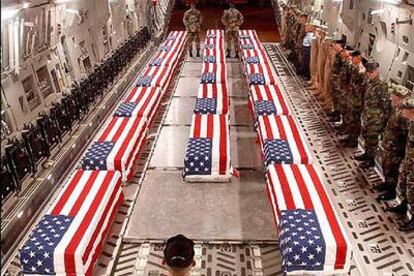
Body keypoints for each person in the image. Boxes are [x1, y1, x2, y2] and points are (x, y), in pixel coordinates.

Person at [376, 85, 411, 201]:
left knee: (392, 170)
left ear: (400, 97)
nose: (391, 98)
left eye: (394, 96)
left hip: (396, 149)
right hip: (389, 146)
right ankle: (386, 184)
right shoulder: (396, 109)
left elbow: (406, 136)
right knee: (386, 167)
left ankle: (391, 192)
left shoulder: (404, 116)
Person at [355, 61, 391, 168]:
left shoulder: (381, 84)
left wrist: (383, 121)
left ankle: (370, 161)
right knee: (366, 135)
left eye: (371, 72)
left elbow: (385, 105)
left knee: (373, 139)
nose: (369, 74)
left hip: (376, 118)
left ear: (376, 71)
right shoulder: (370, 82)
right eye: (368, 72)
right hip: (368, 115)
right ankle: (366, 154)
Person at [386, 98, 414, 232]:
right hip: (409, 161)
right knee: (405, 185)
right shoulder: (411, 123)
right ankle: (404, 206)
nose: (403, 113)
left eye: (405, 111)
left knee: (413, 190)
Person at [338, 50, 366, 147]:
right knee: (350, 119)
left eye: (353, 57)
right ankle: (349, 136)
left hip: (357, 101)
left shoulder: (362, 71)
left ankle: (353, 141)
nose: (352, 59)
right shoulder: (355, 68)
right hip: (351, 98)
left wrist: (361, 102)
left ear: (358, 58)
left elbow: (364, 89)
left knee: (355, 121)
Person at [326, 39, 346, 122]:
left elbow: (343, 69)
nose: (334, 46)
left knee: (338, 97)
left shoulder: (342, 55)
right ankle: (335, 111)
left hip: (338, 80)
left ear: (340, 46)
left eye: (336, 45)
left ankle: (338, 115)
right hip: (334, 78)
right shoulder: (338, 54)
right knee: (334, 96)